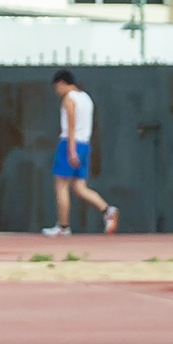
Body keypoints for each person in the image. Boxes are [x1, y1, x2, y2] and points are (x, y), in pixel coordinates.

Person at [45, 70, 117, 236]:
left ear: (61, 83)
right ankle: (107, 210)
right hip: (84, 144)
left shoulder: (69, 99)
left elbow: (70, 125)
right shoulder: (86, 98)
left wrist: (71, 150)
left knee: (61, 186)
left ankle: (63, 227)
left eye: (57, 88)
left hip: (70, 144)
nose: (57, 92)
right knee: (79, 187)